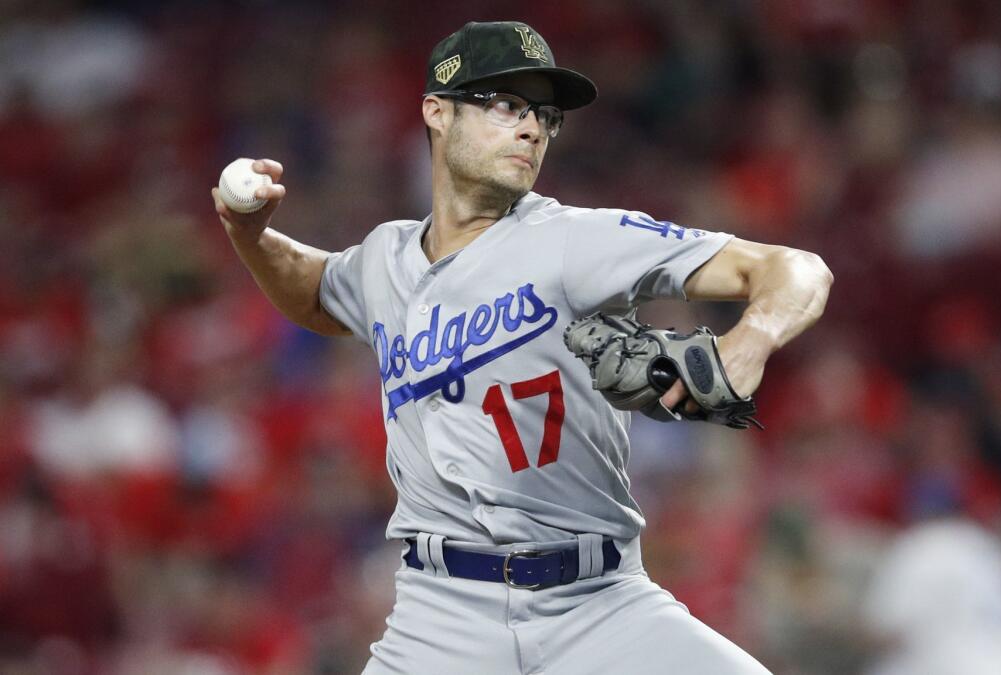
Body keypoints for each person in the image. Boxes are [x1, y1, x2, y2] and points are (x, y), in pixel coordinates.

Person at [211, 20, 832, 675]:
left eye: (544, 114)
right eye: (507, 105)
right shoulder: (384, 260)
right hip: (440, 615)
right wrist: (252, 236)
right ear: (436, 112)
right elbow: (313, 290)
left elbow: (796, 269)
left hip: (598, 604)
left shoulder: (575, 241)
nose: (533, 127)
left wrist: (749, 341)